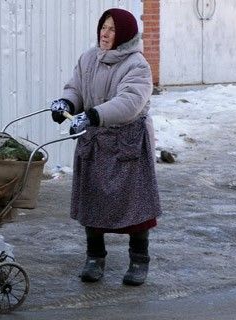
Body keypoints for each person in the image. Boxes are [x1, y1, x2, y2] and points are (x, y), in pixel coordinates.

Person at [50, 8, 161, 286]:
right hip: (96, 140)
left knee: (135, 205)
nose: (105, 33)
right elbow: (75, 87)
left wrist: (92, 115)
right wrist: (67, 103)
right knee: (93, 200)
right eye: (103, 27)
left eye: (111, 29)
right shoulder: (89, 58)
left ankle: (138, 260)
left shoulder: (137, 65)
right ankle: (94, 258)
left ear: (123, 34)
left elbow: (130, 102)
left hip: (128, 144)